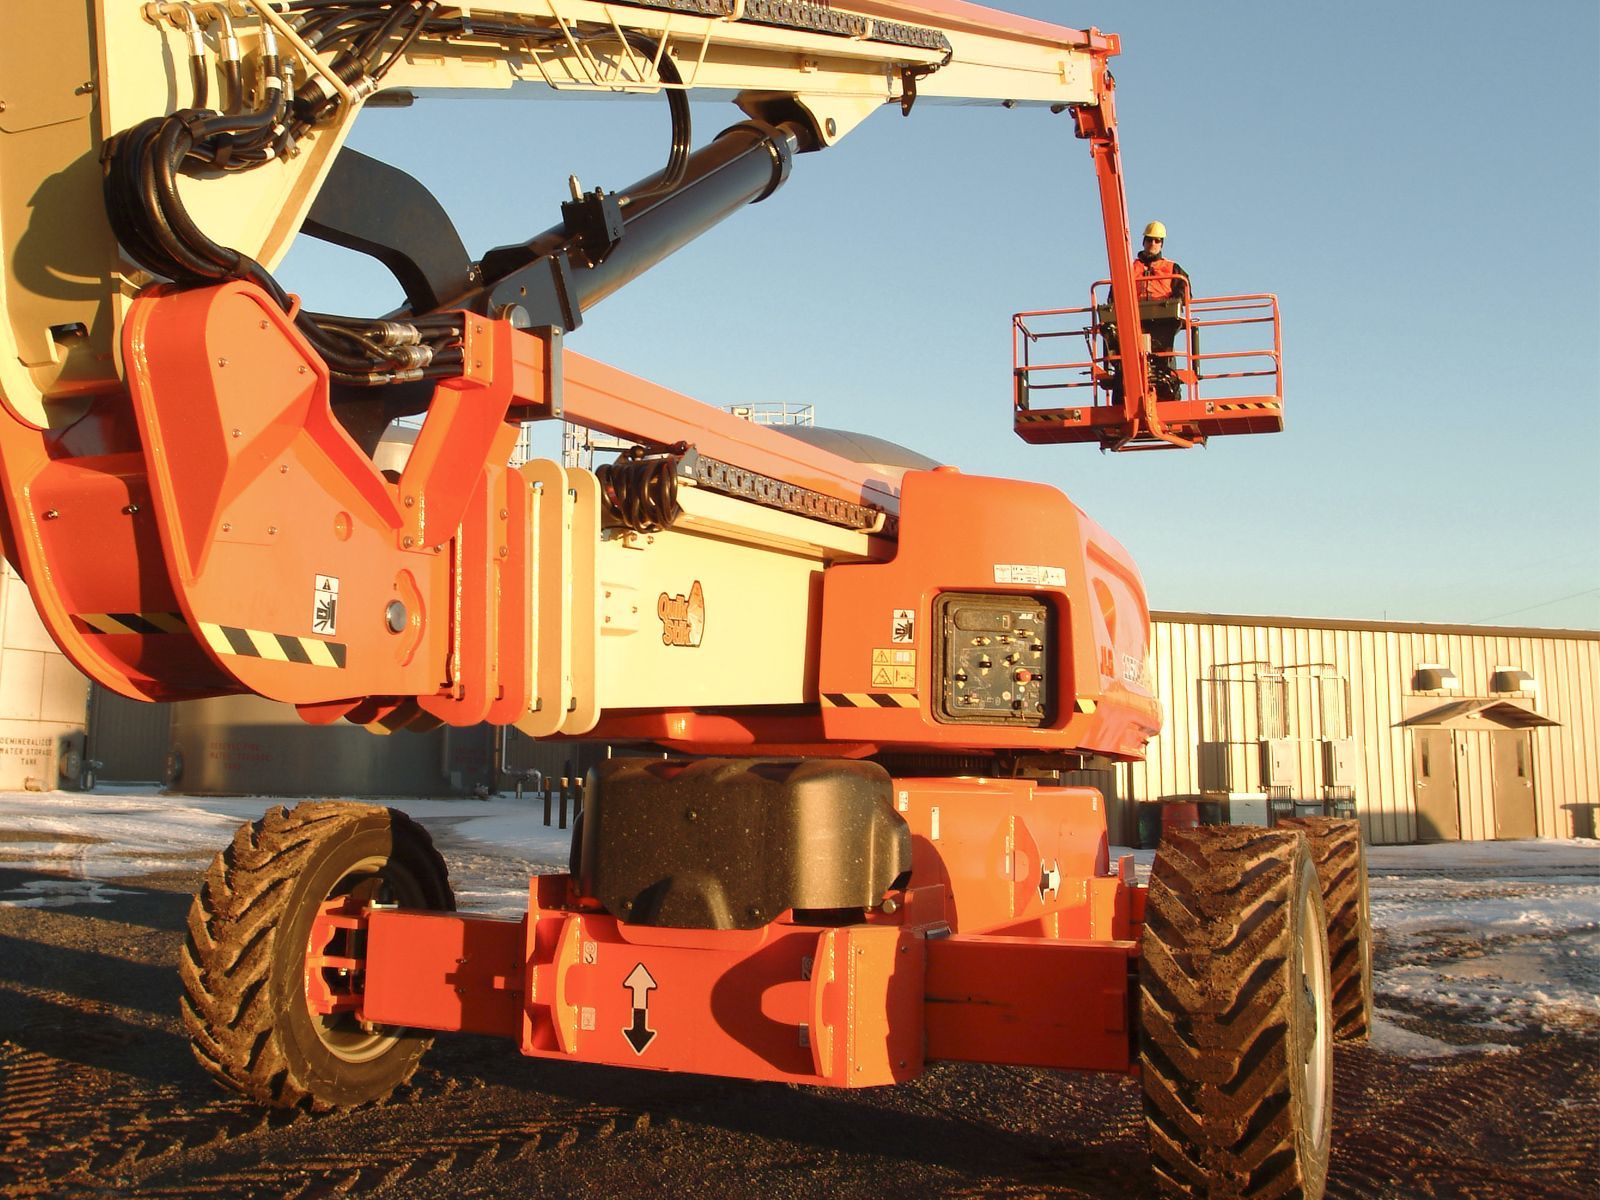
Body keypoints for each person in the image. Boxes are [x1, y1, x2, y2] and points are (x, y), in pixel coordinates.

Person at [1103, 221, 1191, 401]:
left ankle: (1169, 394)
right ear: (1143, 241)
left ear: (1162, 244)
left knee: (1165, 363)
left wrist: (1175, 302)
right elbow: (1113, 295)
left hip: (1162, 323)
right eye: (1150, 240)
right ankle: (1122, 393)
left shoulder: (1173, 268)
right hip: (1132, 322)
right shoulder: (1129, 269)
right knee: (1123, 363)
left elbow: (1184, 290)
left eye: (1157, 241)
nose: (1153, 244)